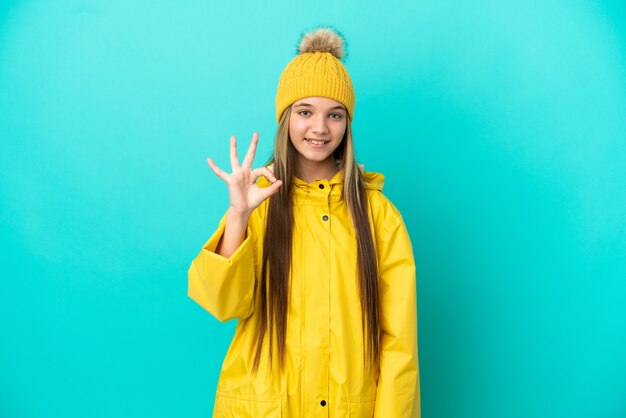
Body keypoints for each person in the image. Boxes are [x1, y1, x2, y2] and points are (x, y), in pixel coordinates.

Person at [188, 25, 420, 418]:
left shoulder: (379, 216)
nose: (319, 128)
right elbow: (222, 304)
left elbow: (400, 345)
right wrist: (239, 215)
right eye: (304, 112)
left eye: (335, 115)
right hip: (264, 407)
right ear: (286, 118)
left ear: (347, 124)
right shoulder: (259, 201)